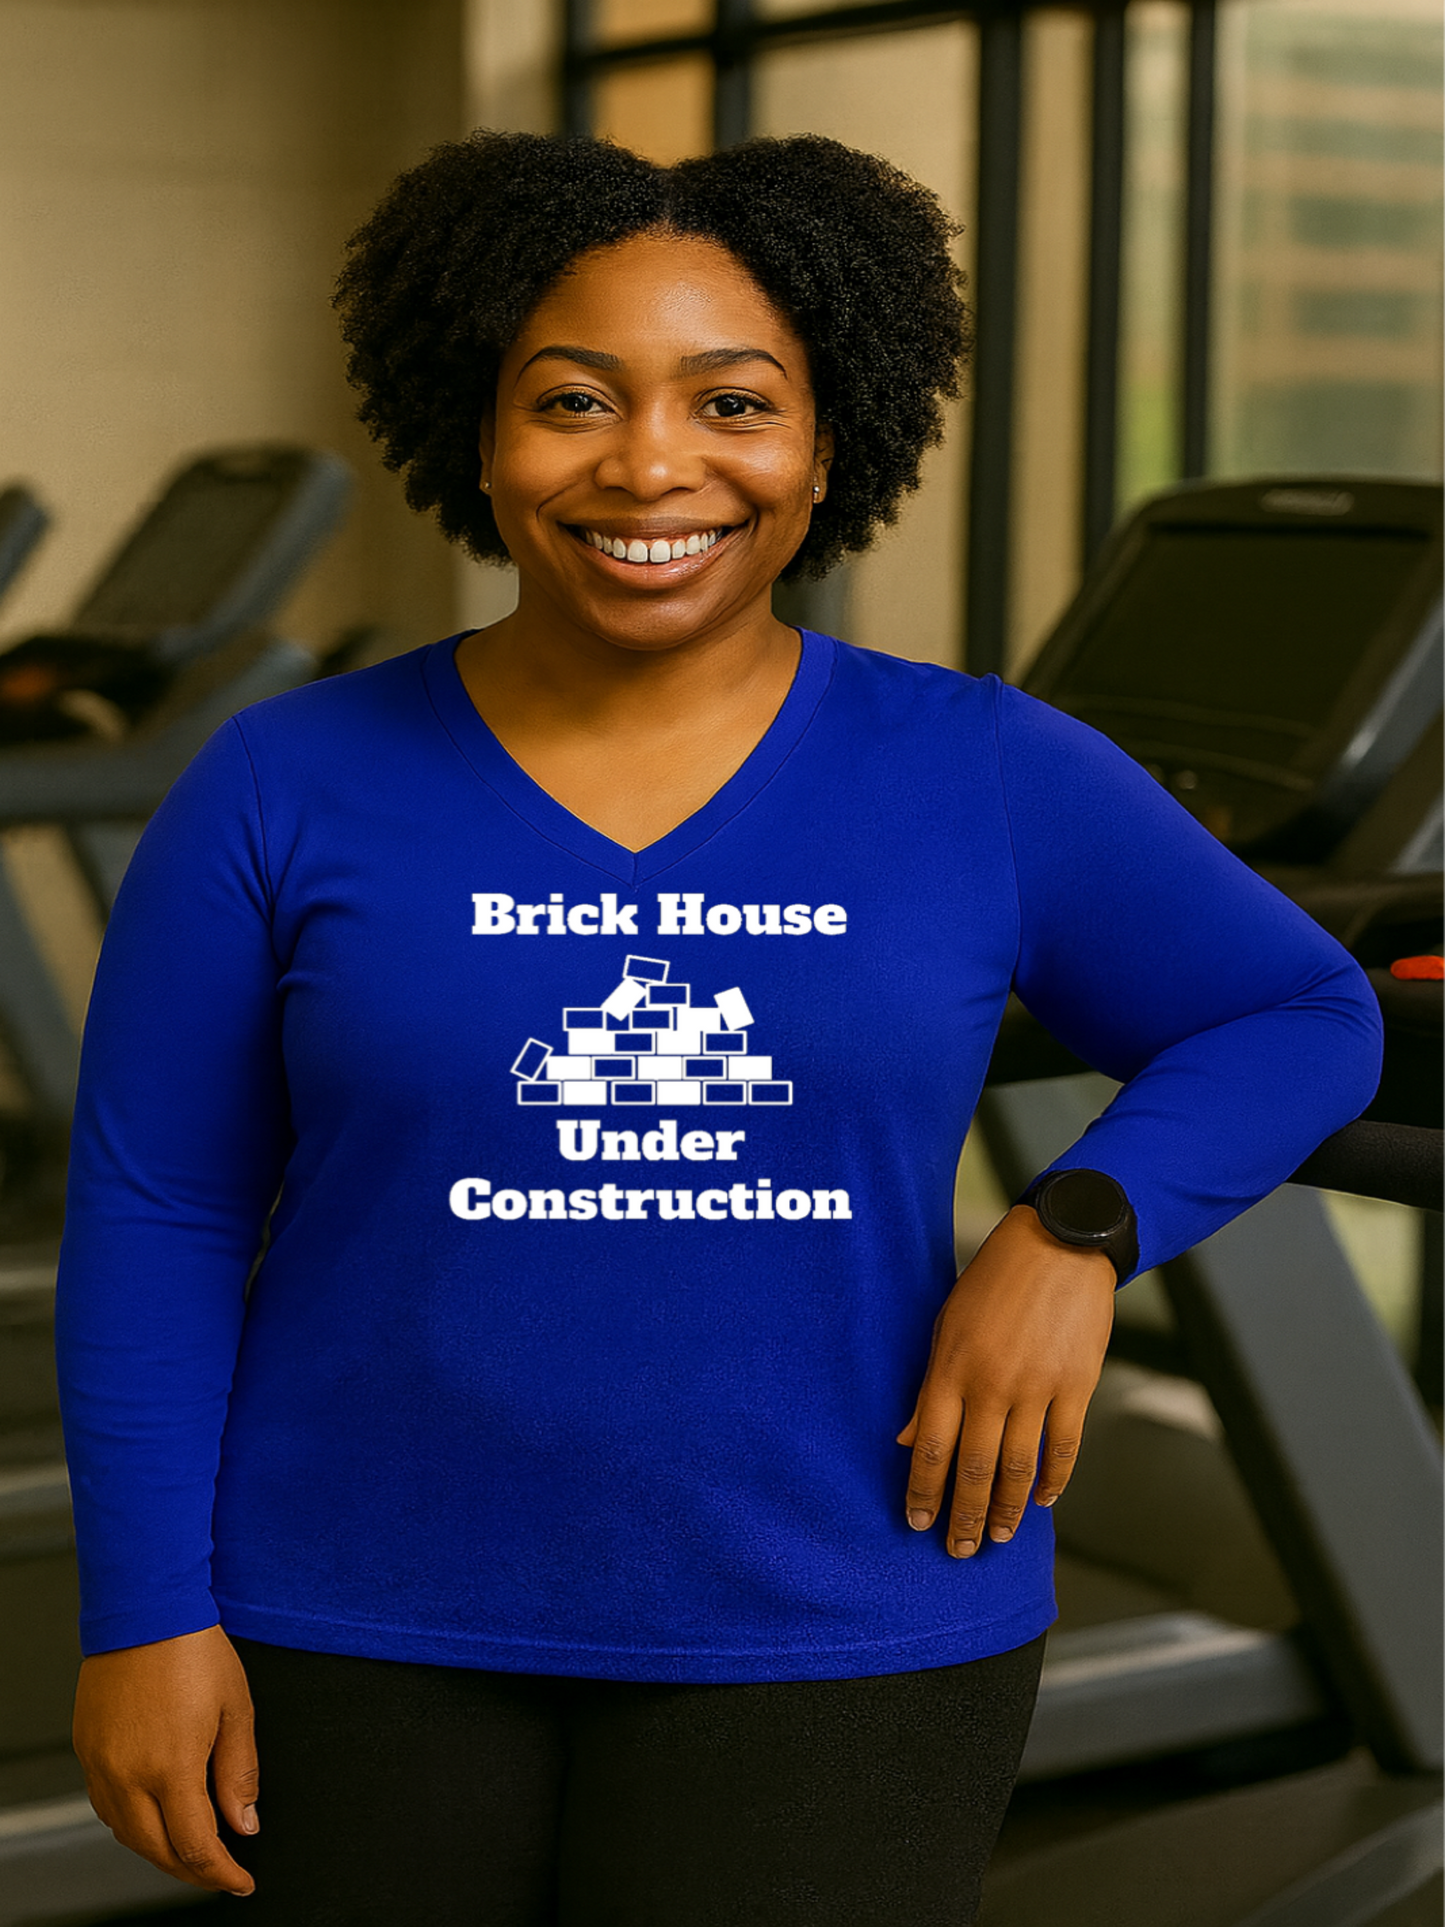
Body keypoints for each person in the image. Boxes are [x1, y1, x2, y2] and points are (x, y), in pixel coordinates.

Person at [55, 130, 1382, 1926]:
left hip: (842, 1615)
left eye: (734, 401)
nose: (651, 463)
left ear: (834, 441)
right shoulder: (281, 780)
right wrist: (145, 1611)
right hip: (349, 1611)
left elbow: (1301, 1006)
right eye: (574, 399)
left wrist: (1077, 1228)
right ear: (479, 427)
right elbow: (160, 1215)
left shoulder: (980, 765)